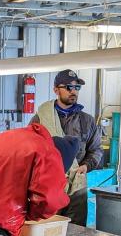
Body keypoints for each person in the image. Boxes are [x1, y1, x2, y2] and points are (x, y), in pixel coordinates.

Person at [31, 70, 103, 226]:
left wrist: (86, 165)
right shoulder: (41, 118)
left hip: (77, 186)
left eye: (77, 88)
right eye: (68, 87)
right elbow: (29, 149)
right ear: (56, 90)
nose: (73, 91)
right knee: (48, 228)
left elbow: (96, 150)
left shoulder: (87, 121)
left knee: (77, 231)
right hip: (49, 186)